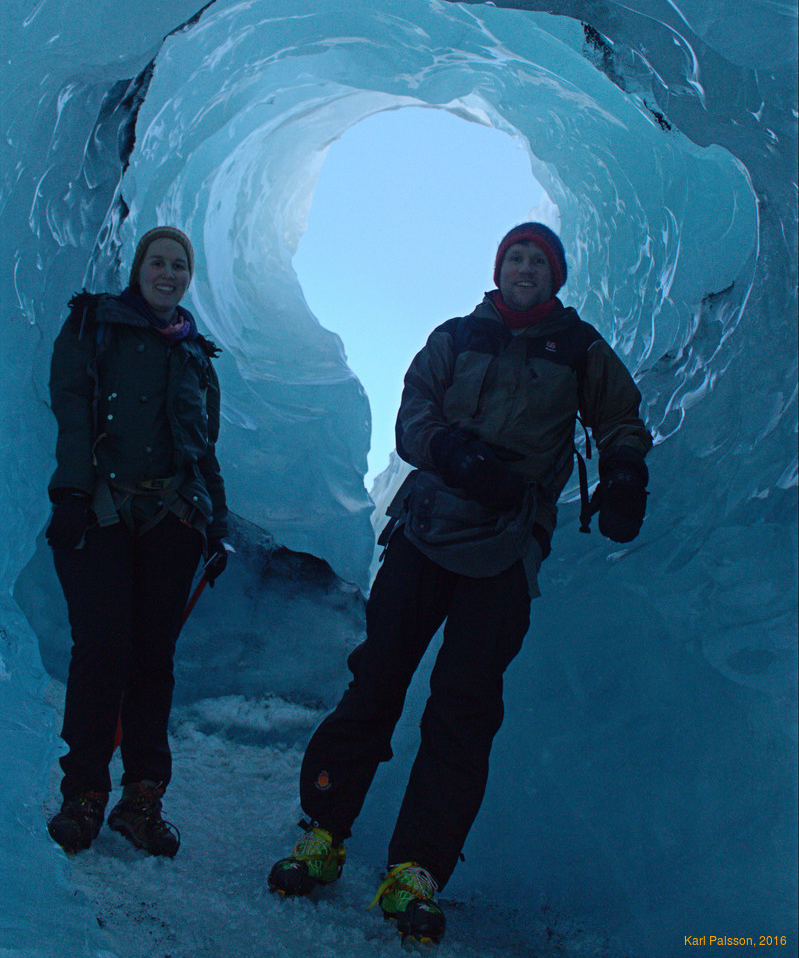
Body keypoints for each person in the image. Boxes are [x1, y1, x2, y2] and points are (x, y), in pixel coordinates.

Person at [268, 222, 652, 945]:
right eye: (515, 256)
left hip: (506, 547)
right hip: (425, 527)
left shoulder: (580, 349)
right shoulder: (454, 336)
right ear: (497, 267)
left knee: (463, 708)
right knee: (375, 680)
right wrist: (453, 451)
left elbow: (618, 418)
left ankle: (417, 870)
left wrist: (625, 472)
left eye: (537, 260)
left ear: (555, 276)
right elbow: (414, 413)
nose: (524, 267)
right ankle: (321, 834)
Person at [45, 226, 231, 858]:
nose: (168, 273)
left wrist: (218, 525)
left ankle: (141, 801)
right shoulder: (94, 323)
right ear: (139, 267)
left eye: (179, 265)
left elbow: (204, 448)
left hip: (172, 518)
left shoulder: (196, 355)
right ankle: (84, 796)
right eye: (159, 261)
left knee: (153, 659)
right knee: (102, 648)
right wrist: (70, 493)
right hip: (99, 509)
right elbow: (73, 407)